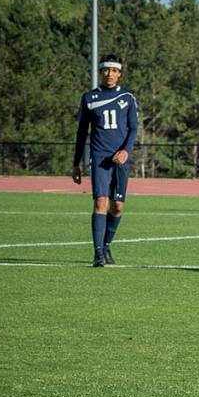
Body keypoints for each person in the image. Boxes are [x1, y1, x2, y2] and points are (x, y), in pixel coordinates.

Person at [72, 53, 139, 267]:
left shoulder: (128, 97)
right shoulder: (89, 98)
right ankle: (98, 253)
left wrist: (126, 151)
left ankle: (107, 244)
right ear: (101, 72)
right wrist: (76, 163)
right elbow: (82, 133)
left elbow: (133, 128)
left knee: (117, 206)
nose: (109, 74)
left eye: (114, 70)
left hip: (121, 159)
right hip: (99, 157)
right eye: (106, 70)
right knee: (101, 202)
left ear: (119, 74)